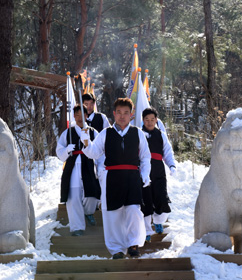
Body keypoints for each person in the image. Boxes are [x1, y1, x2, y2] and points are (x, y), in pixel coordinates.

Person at [81, 97, 151, 259]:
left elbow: (145, 157)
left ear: (131, 115)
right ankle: (116, 249)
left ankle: (133, 243)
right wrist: (86, 142)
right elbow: (93, 153)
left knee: (133, 210)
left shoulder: (137, 133)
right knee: (113, 214)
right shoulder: (106, 133)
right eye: (119, 112)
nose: (122, 116)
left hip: (133, 176)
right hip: (112, 177)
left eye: (126, 113)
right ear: (114, 113)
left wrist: (145, 174)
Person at [56, 104, 101, 236]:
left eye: (83, 115)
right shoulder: (68, 133)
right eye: (77, 115)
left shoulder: (93, 132)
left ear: (87, 115)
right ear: (74, 116)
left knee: (92, 194)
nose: (80, 118)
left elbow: (99, 151)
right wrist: (66, 150)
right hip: (73, 167)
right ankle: (77, 227)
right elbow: (59, 152)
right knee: (73, 196)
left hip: (88, 165)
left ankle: (88, 213)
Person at [141, 107, 176, 242]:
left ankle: (158, 221)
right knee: (146, 202)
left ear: (156, 120)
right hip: (144, 171)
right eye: (147, 120)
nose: (149, 122)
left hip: (158, 170)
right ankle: (146, 231)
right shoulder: (138, 134)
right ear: (143, 120)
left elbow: (167, 151)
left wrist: (171, 165)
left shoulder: (161, 134)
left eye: (152, 119)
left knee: (161, 199)